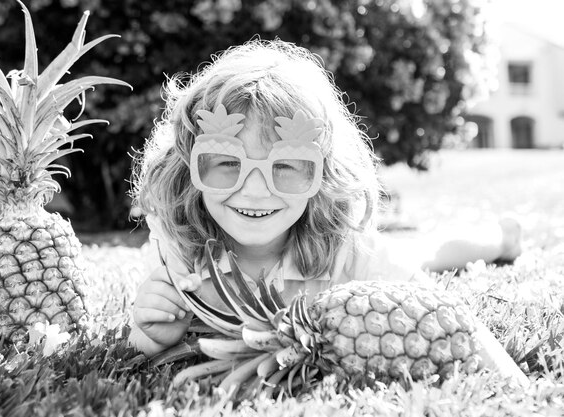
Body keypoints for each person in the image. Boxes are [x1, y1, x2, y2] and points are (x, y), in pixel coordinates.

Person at [127, 39, 521, 356]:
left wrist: (513, 385)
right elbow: (146, 333)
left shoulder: (350, 248)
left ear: (323, 173)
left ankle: (501, 238)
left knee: (428, 255)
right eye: (228, 162)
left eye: (285, 165)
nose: (255, 188)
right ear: (188, 166)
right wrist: (151, 337)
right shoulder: (183, 244)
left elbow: (442, 312)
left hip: (347, 257)